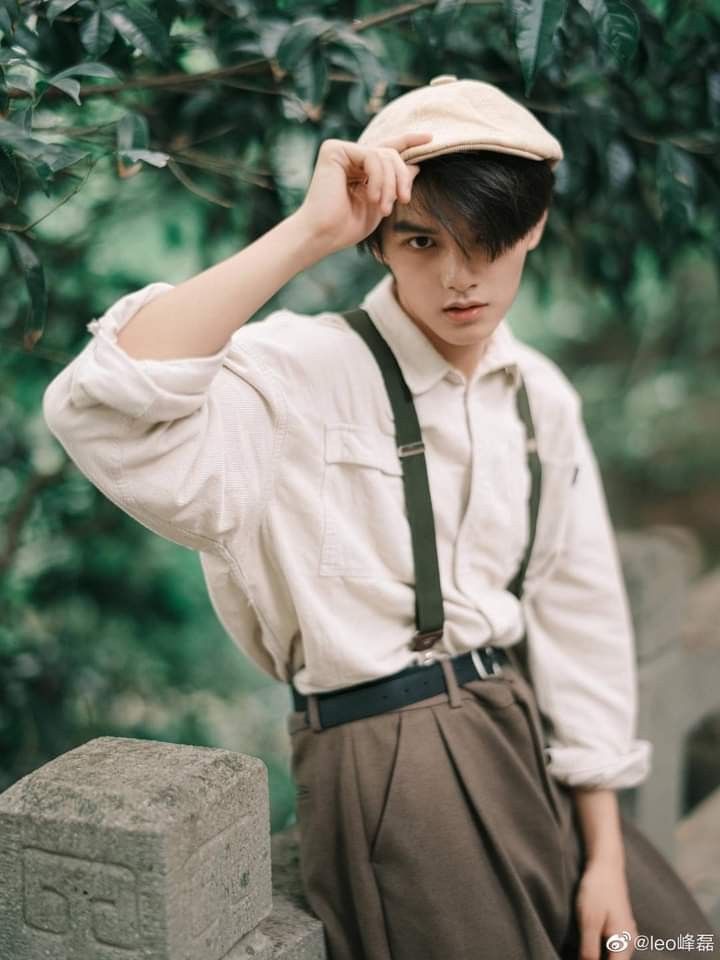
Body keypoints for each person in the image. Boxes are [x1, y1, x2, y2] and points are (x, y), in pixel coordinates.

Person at [42, 76, 715, 960]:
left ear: (536, 227)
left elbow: (577, 614)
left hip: (525, 736)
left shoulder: (537, 397)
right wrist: (307, 233)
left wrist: (606, 858)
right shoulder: (301, 368)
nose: (460, 276)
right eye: (422, 240)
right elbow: (97, 406)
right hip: (387, 755)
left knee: (670, 946)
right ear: (378, 243)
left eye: (489, 241)